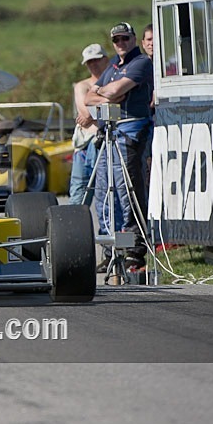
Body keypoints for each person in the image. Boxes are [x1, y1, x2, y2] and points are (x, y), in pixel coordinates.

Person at [85, 22, 154, 272]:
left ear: (133, 39)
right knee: (104, 192)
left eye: (125, 38)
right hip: (107, 132)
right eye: (116, 40)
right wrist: (108, 93)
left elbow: (116, 90)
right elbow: (89, 97)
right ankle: (110, 249)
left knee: (128, 191)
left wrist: (107, 91)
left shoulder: (141, 63)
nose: (121, 43)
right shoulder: (114, 64)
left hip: (131, 132)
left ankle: (134, 251)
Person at [68, 44, 109, 205]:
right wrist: (104, 110)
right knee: (79, 193)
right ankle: (74, 227)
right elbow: (84, 112)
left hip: (104, 142)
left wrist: (92, 116)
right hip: (85, 144)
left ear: (105, 59)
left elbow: (118, 109)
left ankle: (107, 229)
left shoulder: (114, 83)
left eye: (96, 60)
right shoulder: (82, 86)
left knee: (105, 192)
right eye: (89, 62)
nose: (93, 65)